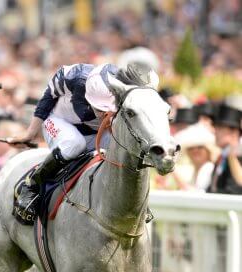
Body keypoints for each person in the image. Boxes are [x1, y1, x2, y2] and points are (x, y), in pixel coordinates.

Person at [12, 62, 158, 222]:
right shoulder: (74, 76)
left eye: (108, 109)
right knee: (74, 144)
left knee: (122, 149)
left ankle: (132, 200)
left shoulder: (126, 89)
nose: (104, 114)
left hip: (97, 132)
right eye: (99, 109)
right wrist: (30, 133)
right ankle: (31, 185)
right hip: (60, 121)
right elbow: (48, 97)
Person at [208, 104, 242, 195]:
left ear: (234, 132)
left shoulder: (238, 155)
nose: (215, 131)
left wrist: (232, 155)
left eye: (219, 127)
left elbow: (239, 186)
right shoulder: (222, 156)